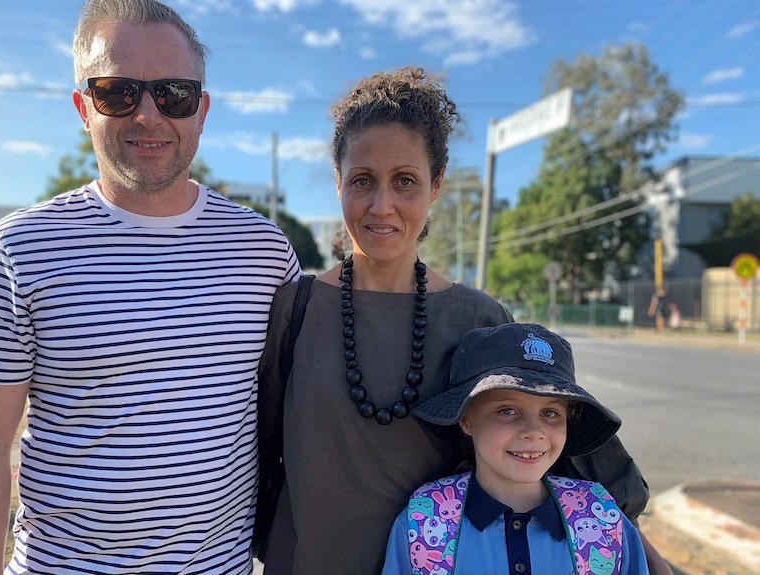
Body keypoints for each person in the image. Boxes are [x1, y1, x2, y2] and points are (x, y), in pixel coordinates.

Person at [256, 67, 668, 575]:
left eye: (405, 181)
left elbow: (569, 464)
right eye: (362, 180)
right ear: (338, 181)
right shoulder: (292, 311)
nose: (381, 205)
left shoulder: (479, 319)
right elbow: (253, 452)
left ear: (436, 186)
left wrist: (652, 560)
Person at [0, 1, 299, 574]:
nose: (149, 115)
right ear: (84, 108)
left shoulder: (263, 250)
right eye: (118, 92)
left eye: (174, 94)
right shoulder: (19, 249)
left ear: (201, 111)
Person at [381, 323, 649, 574]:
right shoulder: (424, 521)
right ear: (465, 419)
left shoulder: (603, 521)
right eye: (507, 410)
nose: (533, 431)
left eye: (550, 412)